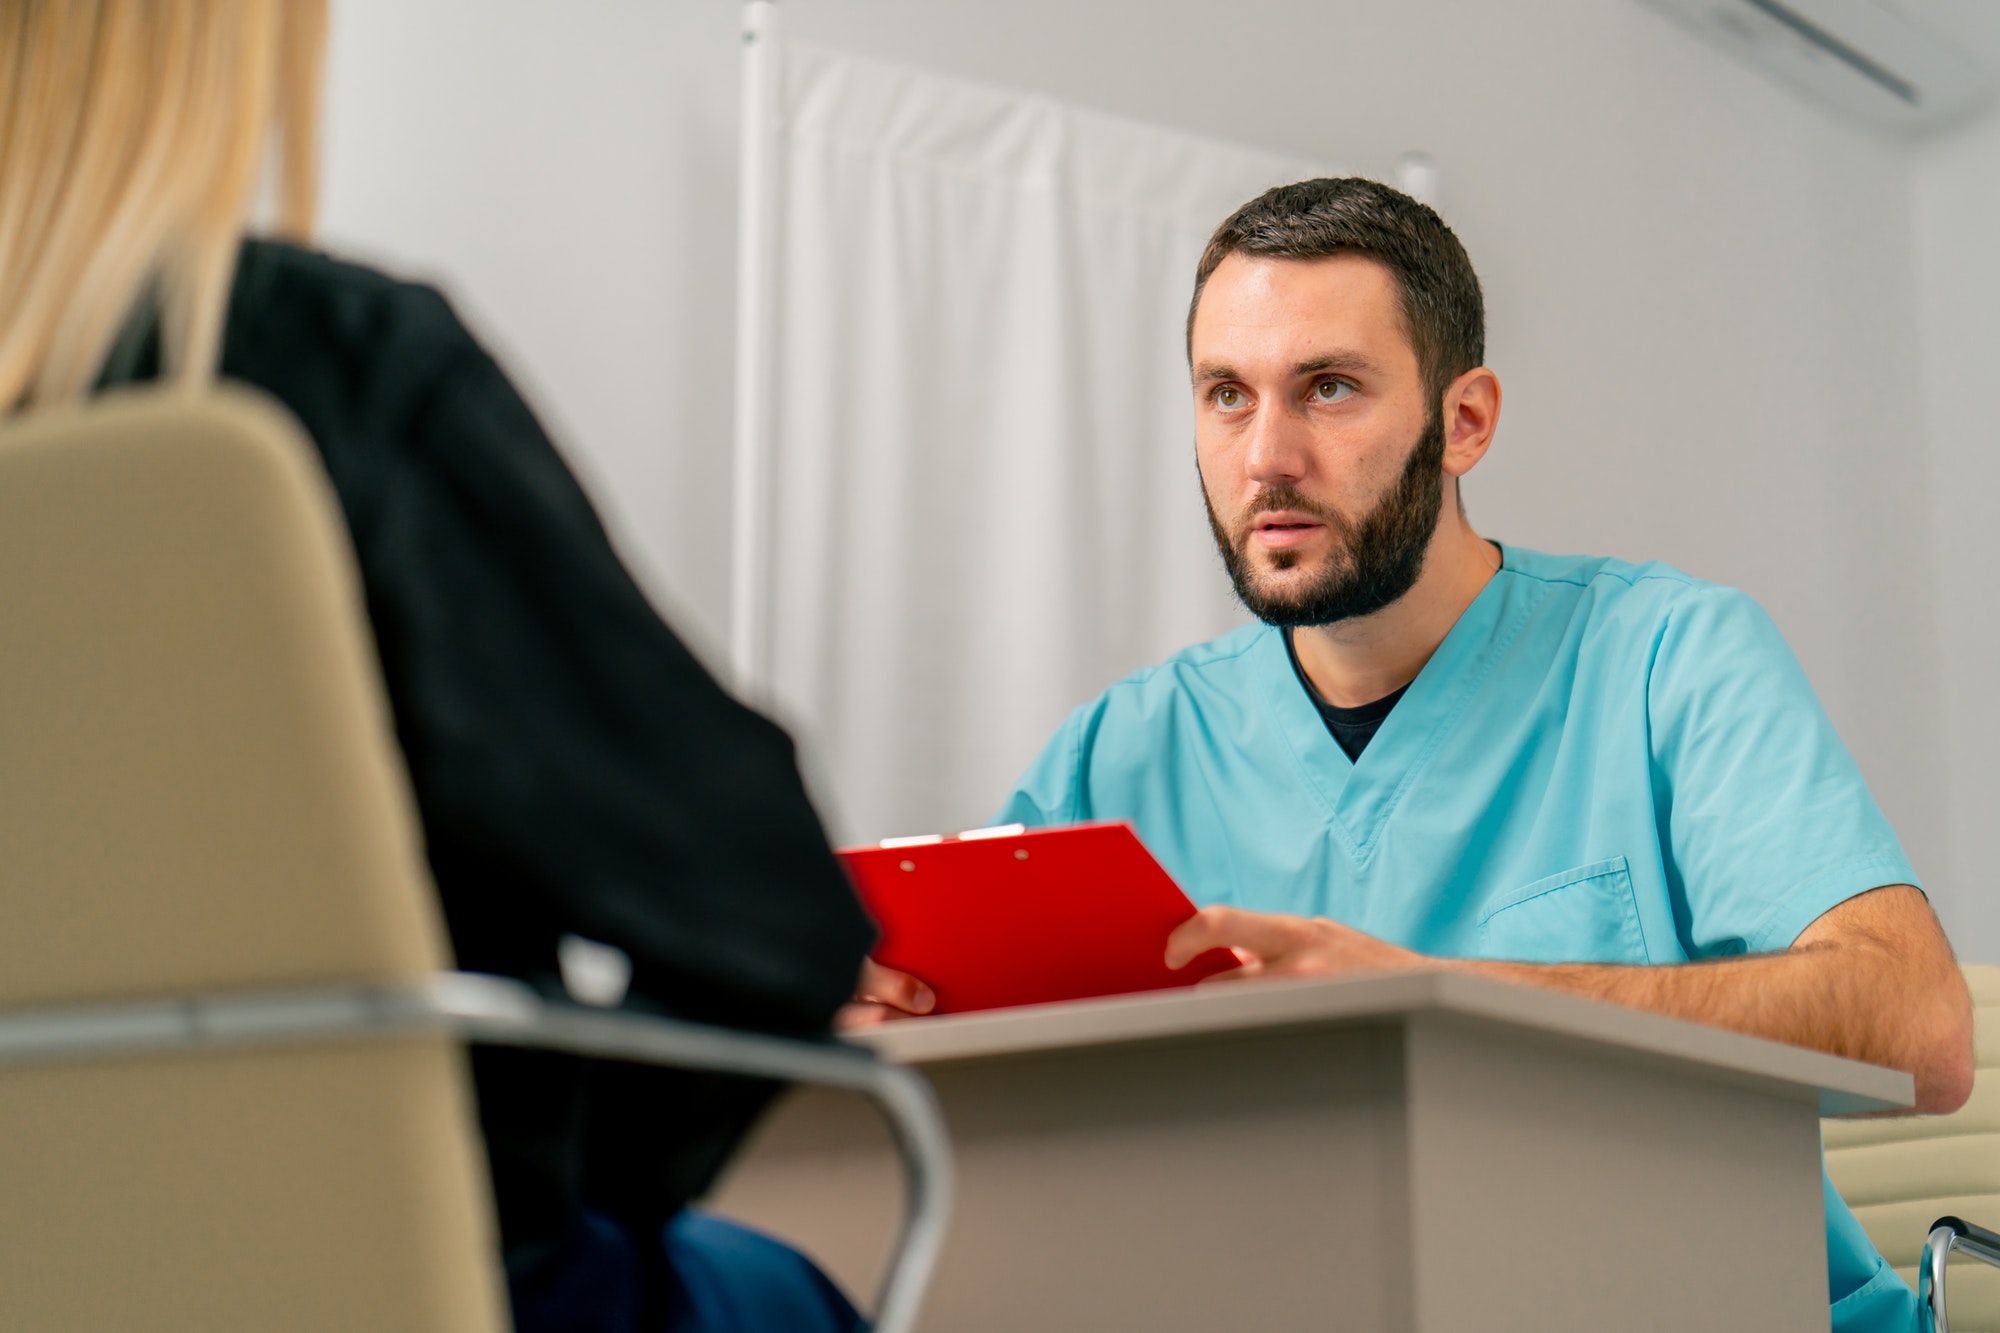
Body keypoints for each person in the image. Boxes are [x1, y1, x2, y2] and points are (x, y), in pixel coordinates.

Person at [852, 176, 1973, 1332]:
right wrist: (890, 1038)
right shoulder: (1120, 751)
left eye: (1327, 388)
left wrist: (1429, 1005)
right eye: (1225, 396)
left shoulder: (1663, 659)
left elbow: (1917, 1032)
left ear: (1464, 419)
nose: (1265, 456)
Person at [1, 4, 870, 1330]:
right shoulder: (328, 376)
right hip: (382, 1287)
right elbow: (765, 921)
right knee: (784, 1292)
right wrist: (546, 1193)